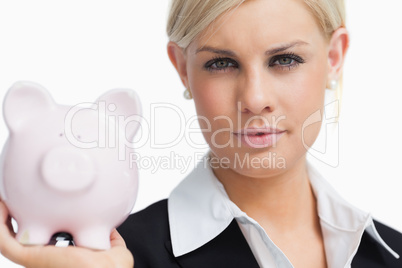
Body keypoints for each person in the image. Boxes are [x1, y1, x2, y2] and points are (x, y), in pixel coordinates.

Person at [0, 0, 401, 267]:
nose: (255, 99)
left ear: (334, 58)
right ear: (182, 68)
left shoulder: (393, 254)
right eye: (222, 64)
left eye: (285, 59)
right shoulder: (115, 258)